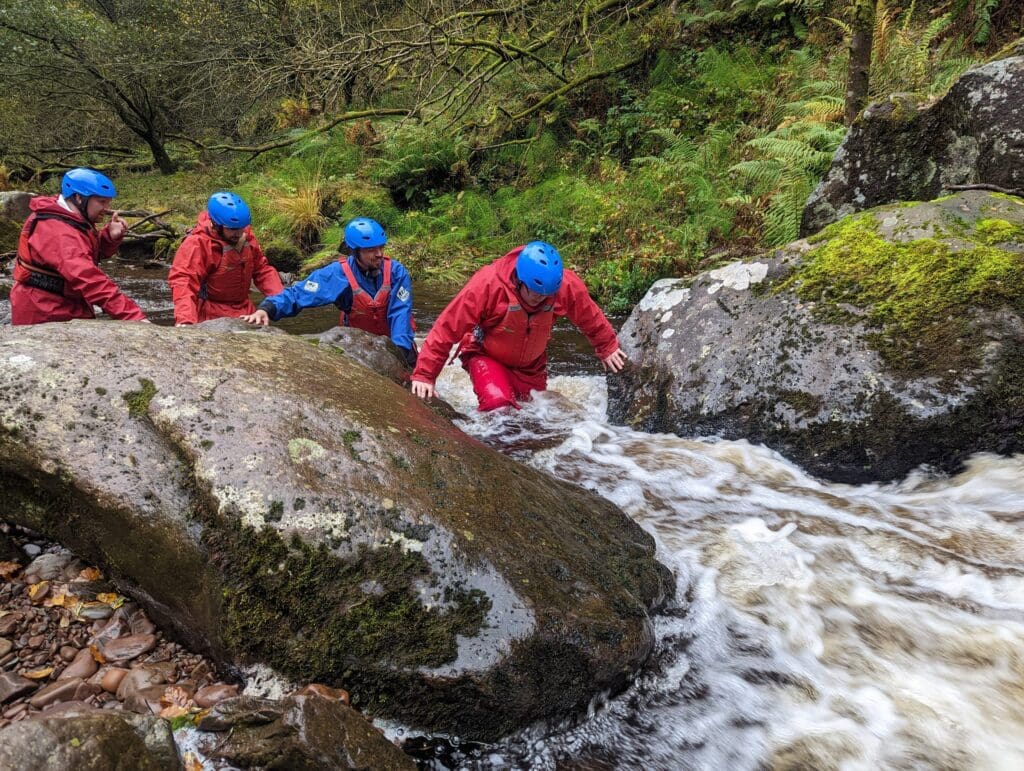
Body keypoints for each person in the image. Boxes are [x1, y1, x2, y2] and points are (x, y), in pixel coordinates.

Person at [409, 241, 627, 411]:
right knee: (498, 408)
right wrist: (425, 375)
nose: (540, 300)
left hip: (531, 365)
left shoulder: (565, 286)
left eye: (546, 296)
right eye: (534, 293)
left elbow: (589, 316)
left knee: (532, 418)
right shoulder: (487, 283)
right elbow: (448, 327)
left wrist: (607, 346)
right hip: (486, 355)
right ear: (519, 280)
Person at [240, 217, 417, 365]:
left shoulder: (396, 272)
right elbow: (300, 294)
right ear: (355, 252)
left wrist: (399, 353)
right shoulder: (337, 274)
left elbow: (400, 312)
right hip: (359, 348)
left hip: (399, 349)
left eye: (381, 247)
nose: (379, 254)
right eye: (371, 250)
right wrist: (268, 308)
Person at [11, 167, 146, 325]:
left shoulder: (70, 217)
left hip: (62, 304)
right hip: (45, 311)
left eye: (108, 202)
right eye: (102, 202)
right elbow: (87, 277)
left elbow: (84, 253)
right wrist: (133, 316)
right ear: (78, 198)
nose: (107, 209)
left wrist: (109, 237)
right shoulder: (58, 231)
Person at [168, 192, 283, 326]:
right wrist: (185, 320)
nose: (239, 233)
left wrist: (283, 299)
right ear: (216, 225)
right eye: (232, 229)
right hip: (209, 316)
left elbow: (262, 271)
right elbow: (183, 281)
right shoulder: (197, 243)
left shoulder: (247, 238)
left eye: (241, 228)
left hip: (245, 312)